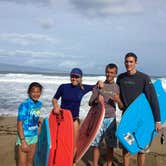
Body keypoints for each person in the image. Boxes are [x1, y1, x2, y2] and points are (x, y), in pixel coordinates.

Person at [116, 52, 162, 166]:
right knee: (126, 145)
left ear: (136, 62)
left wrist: (157, 120)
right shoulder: (121, 78)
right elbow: (119, 96)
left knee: (141, 148)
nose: (128, 64)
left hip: (143, 120)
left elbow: (153, 99)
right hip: (127, 118)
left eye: (131, 61)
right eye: (126, 61)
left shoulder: (144, 78)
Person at [52, 68, 102, 165]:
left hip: (74, 120)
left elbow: (96, 87)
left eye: (77, 77)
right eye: (72, 76)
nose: (74, 78)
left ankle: (71, 162)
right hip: (62, 120)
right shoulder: (63, 87)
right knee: (61, 142)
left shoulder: (83, 88)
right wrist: (56, 106)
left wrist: (99, 82)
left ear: (81, 78)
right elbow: (54, 99)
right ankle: (59, 160)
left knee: (74, 144)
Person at [89, 63, 123, 166]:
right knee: (96, 144)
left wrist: (118, 101)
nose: (109, 74)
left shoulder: (117, 87)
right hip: (98, 119)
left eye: (112, 72)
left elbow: (121, 107)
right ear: (105, 72)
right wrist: (96, 100)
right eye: (107, 72)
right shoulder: (99, 86)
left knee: (110, 145)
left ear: (115, 74)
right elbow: (90, 103)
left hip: (111, 119)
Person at [16, 82, 43, 166]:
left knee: (30, 161)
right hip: (25, 137)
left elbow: (33, 115)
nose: (36, 94)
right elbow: (19, 124)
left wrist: (37, 121)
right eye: (33, 92)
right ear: (29, 92)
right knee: (22, 163)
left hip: (34, 136)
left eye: (38, 92)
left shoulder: (39, 104)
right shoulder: (24, 105)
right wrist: (23, 141)